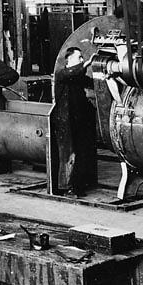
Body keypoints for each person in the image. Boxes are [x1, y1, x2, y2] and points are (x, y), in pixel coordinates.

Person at [53, 47, 96, 197]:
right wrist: (87, 63)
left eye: (82, 58)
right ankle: (67, 187)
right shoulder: (61, 74)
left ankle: (78, 185)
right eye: (79, 57)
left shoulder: (77, 76)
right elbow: (71, 73)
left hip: (78, 120)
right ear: (69, 59)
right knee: (69, 153)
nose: (82, 60)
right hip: (65, 121)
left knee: (80, 151)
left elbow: (93, 83)